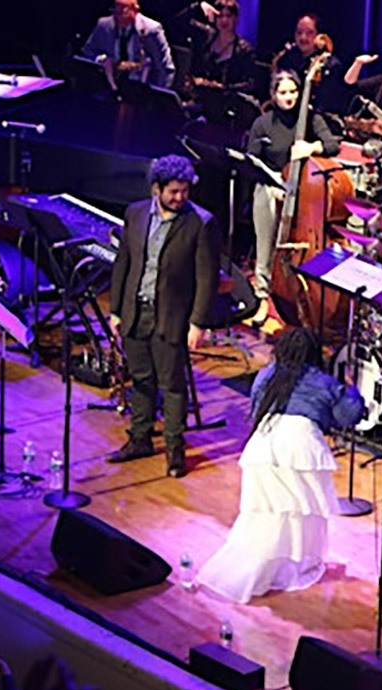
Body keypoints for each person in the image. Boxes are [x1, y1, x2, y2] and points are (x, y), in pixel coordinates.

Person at [198, 328, 361, 604]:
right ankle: (278, 570)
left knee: (266, 514)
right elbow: (348, 416)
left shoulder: (266, 374)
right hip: (299, 447)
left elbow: (256, 408)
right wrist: (352, 389)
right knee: (295, 516)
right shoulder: (323, 381)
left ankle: (262, 569)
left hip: (264, 444)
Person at [104, 155, 224, 479]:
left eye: (184, 191)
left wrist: (197, 323)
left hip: (172, 316)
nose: (180, 197)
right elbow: (123, 264)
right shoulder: (136, 213)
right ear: (156, 189)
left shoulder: (201, 223)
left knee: (172, 385)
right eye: (173, 191)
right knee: (141, 379)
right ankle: (140, 439)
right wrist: (116, 310)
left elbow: (207, 278)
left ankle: (174, 451)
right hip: (135, 311)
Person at [244, 69, 338, 328]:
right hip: (271, 185)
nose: (289, 97)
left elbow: (333, 145)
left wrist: (311, 147)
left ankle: (305, 296)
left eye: (294, 91)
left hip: (303, 190)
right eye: (283, 92)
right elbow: (253, 160)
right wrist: (273, 183)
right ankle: (263, 295)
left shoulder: (310, 118)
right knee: (266, 239)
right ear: (273, 95)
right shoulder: (263, 123)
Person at [80, 0, 176, 90]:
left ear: (135, 10)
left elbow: (165, 68)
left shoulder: (152, 30)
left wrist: (154, 96)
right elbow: (87, 52)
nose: (117, 15)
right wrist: (102, 60)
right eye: (116, 8)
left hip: (141, 88)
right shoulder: (104, 25)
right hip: (108, 85)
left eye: (123, 9)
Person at [270, 14, 345, 115]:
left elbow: (330, 104)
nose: (303, 37)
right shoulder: (286, 60)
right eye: (299, 32)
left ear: (319, 36)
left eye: (309, 33)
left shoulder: (330, 65)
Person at [187, 0, 257, 96]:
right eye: (220, 16)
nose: (224, 20)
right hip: (198, 97)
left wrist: (223, 88)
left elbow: (250, 84)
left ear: (236, 18)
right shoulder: (205, 36)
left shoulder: (245, 50)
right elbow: (181, 20)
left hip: (227, 101)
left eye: (228, 16)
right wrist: (199, 6)